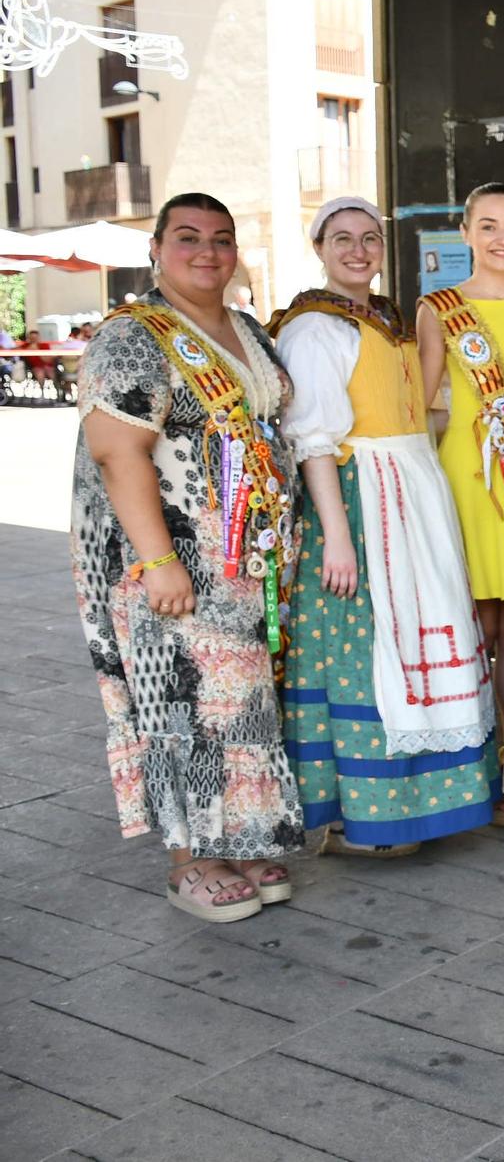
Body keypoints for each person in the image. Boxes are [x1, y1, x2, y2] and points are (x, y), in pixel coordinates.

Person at [72, 193, 303, 921]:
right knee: (181, 702)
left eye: (221, 239)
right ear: (156, 249)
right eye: (188, 238)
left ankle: (237, 836)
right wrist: (159, 558)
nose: (207, 252)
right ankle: (190, 858)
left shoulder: (242, 328)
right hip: (177, 562)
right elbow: (117, 450)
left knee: (238, 704)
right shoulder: (135, 335)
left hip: (246, 563)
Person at [273, 197, 497, 857]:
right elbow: (314, 439)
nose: (358, 250)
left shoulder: (385, 318)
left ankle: (413, 800)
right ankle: (358, 813)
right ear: (319, 247)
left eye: (369, 238)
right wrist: (336, 536)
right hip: (361, 497)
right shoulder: (314, 328)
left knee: (410, 644)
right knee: (364, 644)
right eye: (342, 238)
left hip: (409, 491)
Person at [416, 182, 504, 826]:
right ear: (466, 233)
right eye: (490, 226)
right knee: (474, 625)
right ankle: (475, 767)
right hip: (470, 481)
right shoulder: (439, 309)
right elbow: (420, 406)